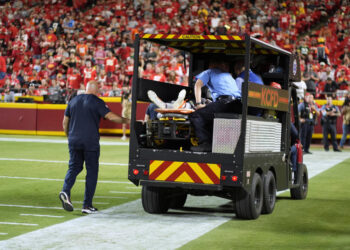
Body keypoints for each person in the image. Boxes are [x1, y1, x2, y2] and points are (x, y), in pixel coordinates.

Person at [60, 81, 129, 214]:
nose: (100, 91)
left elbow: (64, 123)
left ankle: (66, 191)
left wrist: (70, 137)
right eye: (99, 89)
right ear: (95, 90)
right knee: (91, 171)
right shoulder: (97, 101)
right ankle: (87, 205)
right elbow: (110, 117)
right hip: (90, 141)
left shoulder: (73, 101)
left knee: (74, 167)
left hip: (73, 140)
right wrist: (127, 121)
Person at [189, 60, 241, 152]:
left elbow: (197, 85)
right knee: (210, 115)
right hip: (237, 104)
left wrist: (198, 104)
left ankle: (205, 144)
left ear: (211, 65)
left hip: (225, 102)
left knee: (197, 115)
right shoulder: (228, 75)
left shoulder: (209, 72)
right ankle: (213, 143)